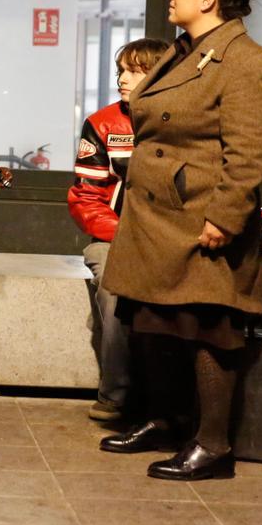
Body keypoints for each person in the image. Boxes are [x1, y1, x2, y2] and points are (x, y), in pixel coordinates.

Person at [100, 0, 262, 481]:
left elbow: (249, 154)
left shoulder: (248, 63)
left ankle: (213, 444)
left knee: (208, 328)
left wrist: (224, 218)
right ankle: (166, 419)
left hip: (199, 218)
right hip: (156, 217)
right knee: (153, 323)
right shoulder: (182, 52)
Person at [68, 37, 169, 423]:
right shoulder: (102, 124)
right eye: (120, 71)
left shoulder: (182, 122)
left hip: (171, 242)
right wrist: (126, 235)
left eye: (133, 71)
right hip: (113, 240)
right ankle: (116, 396)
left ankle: (175, 401)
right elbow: (85, 199)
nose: (122, 79)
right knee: (115, 293)